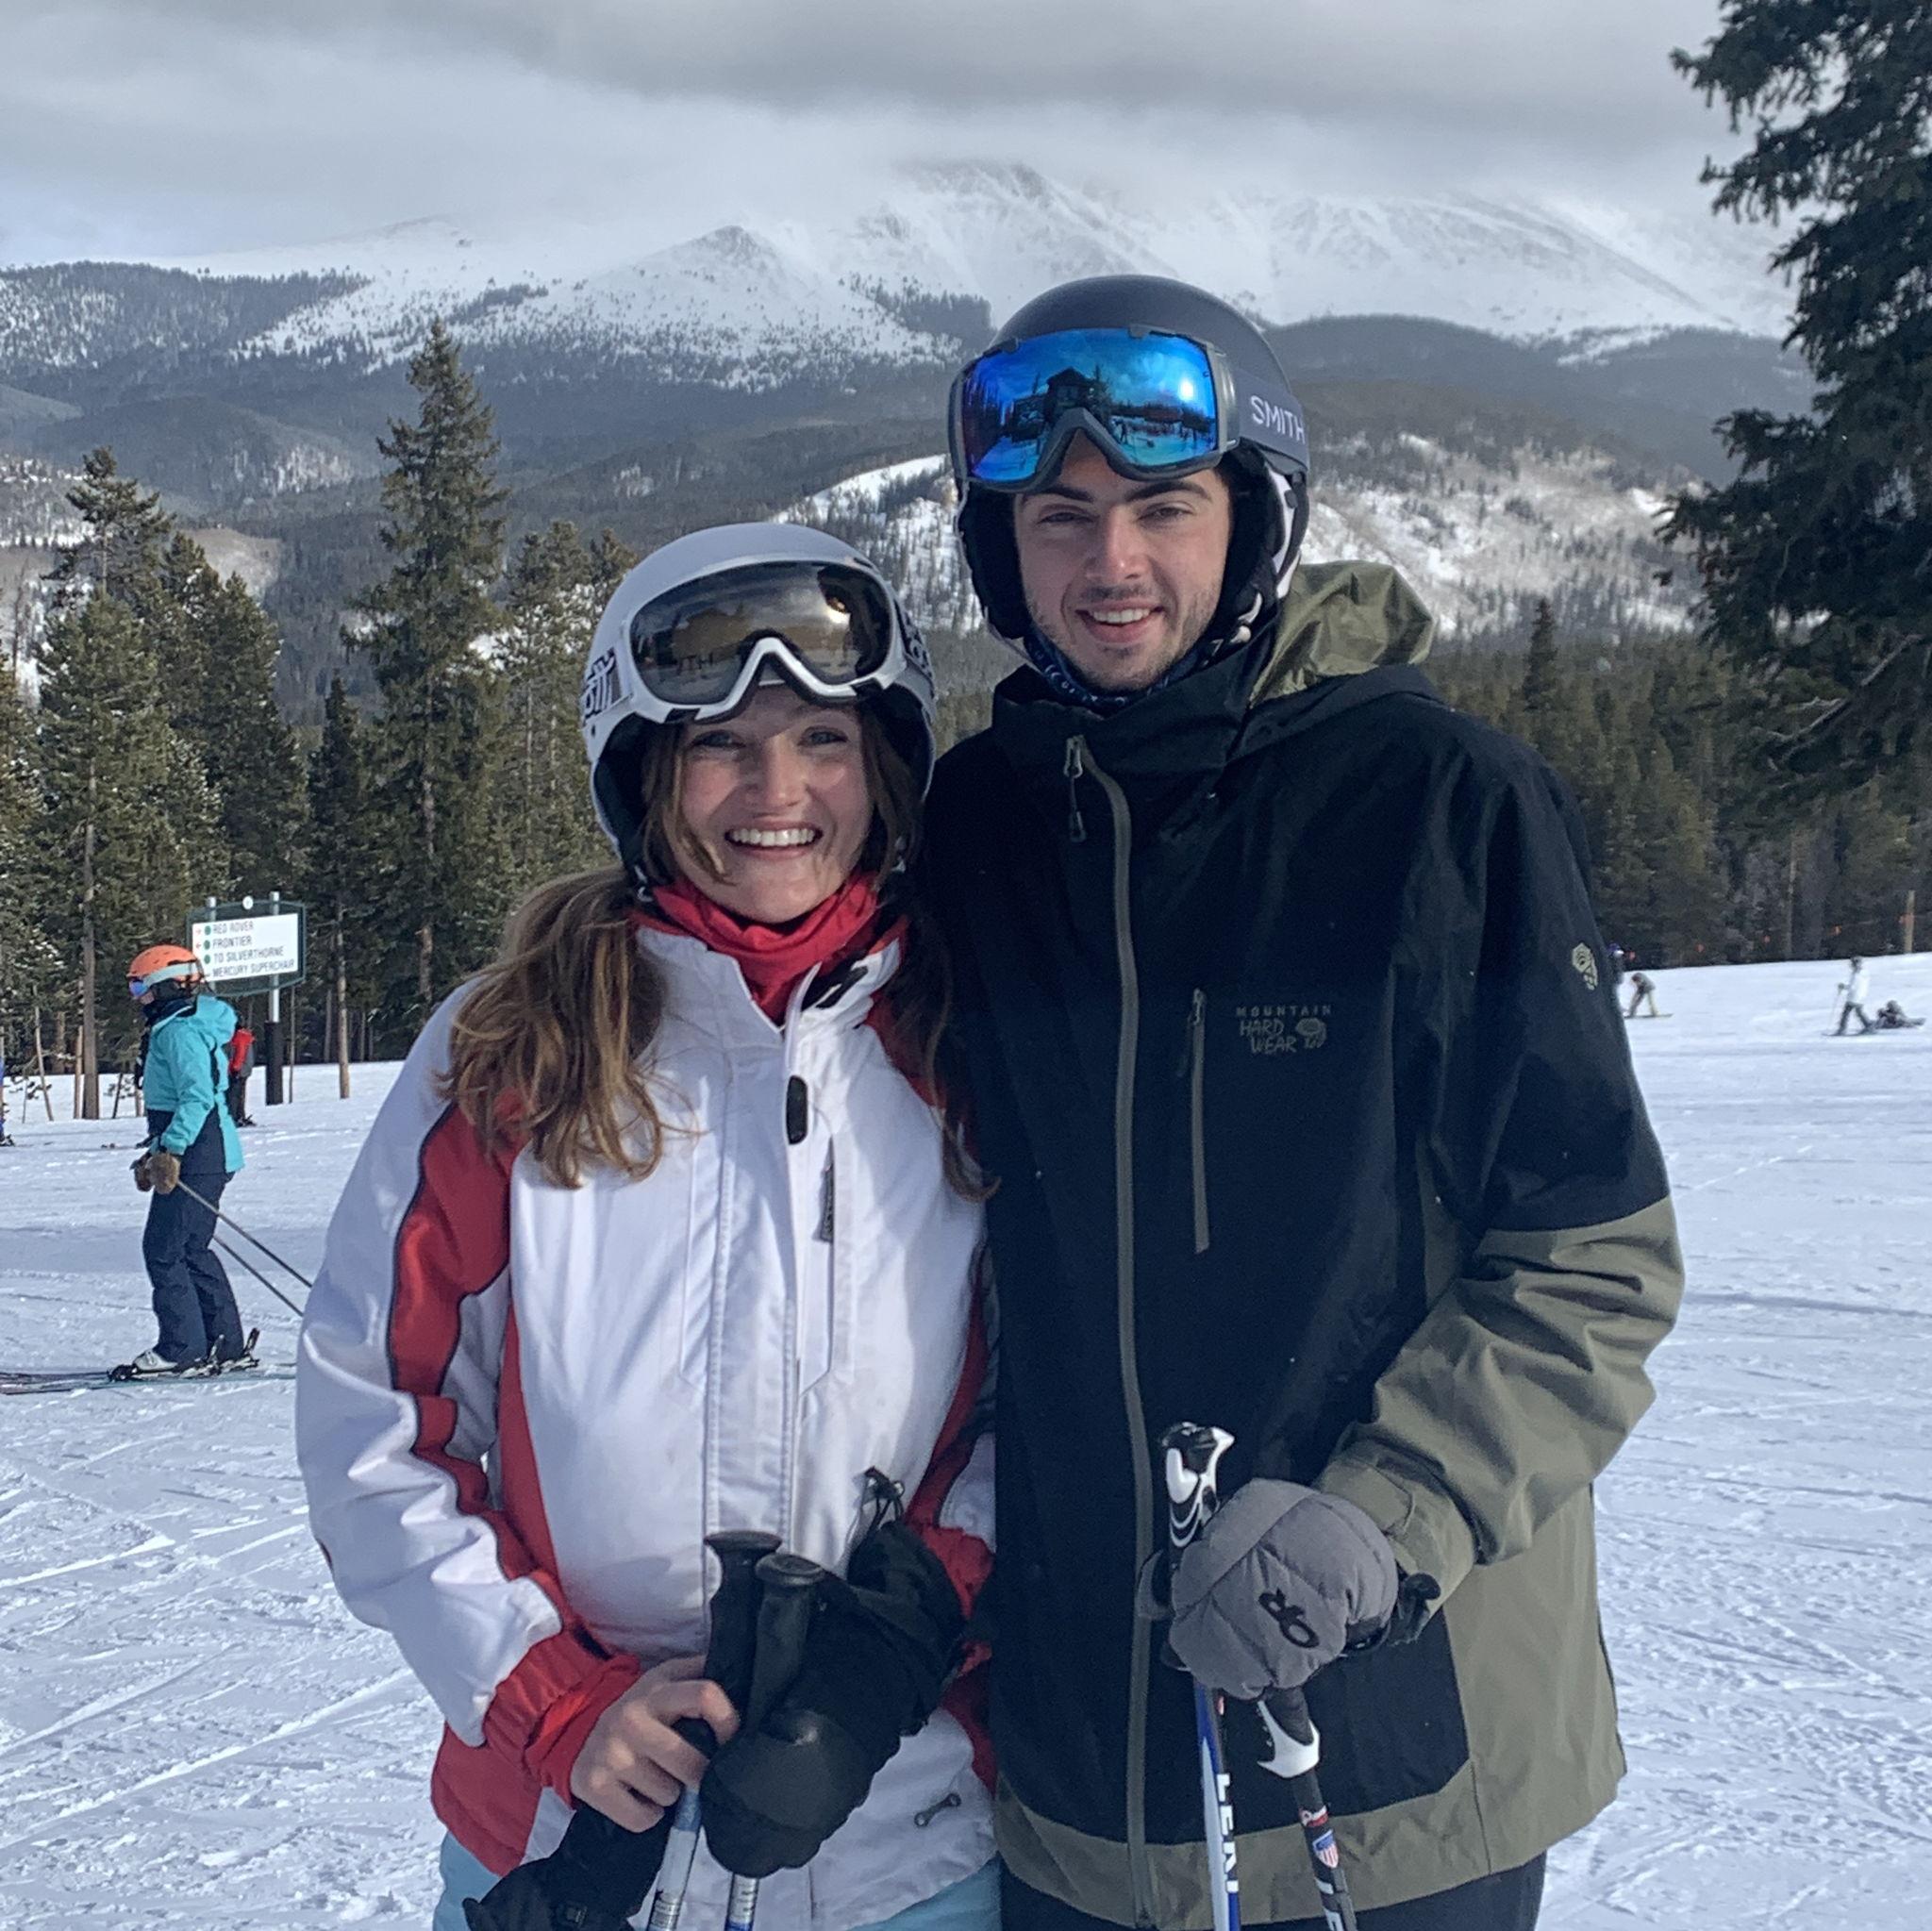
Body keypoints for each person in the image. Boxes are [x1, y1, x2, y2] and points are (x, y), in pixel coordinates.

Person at [924, 275, 1684, 1931]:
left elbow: (1591, 1260)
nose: (1110, 561)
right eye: (1059, 517)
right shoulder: (978, 830)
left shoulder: (1437, 809)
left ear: (1253, 519)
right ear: (1002, 552)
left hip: (1394, 1758)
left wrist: (1379, 1519)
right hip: (1074, 1777)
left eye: (1162, 507)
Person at [296, 524, 998, 1931]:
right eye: (720, 745)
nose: (777, 791)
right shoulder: (517, 1046)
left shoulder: (962, 1038)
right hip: (565, 1840)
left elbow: (1036, 1417)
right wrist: (553, 1699)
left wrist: (882, 1660)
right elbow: (376, 1422)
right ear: (645, 772)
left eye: (822, 739)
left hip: (900, 1841)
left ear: (885, 765)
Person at [125, 944, 251, 1373]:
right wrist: (157, 1150)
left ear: (166, 986)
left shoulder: (179, 1032)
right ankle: (223, 1344)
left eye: (140, 986)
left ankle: (181, 1348)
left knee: (164, 1249)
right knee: (191, 1248)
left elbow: (196, 1097)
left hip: (199, 1151)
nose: (137, 997)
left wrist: (173, 1150)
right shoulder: (180, 1025)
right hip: (207, 1149)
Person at [225, 1022, 256, 1125]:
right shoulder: (244, 1036)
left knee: (234, 1094)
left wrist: (235, 1069)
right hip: (243, 1069)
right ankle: (239, 1116)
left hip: (239, 1070)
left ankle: (234, 1117)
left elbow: (239, 1054)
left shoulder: (239, 1037)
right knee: (239, 1094)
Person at [1836, 957, 1873, 1034]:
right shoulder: (1864, 974)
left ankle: (1842, 1029)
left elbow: (1852, 987)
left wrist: (1843, 986)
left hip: (1854, 997)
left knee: (1846, 1013)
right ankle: (1868, 1026)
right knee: (1858, 1012)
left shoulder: (1856, 975)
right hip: (1860, 996)